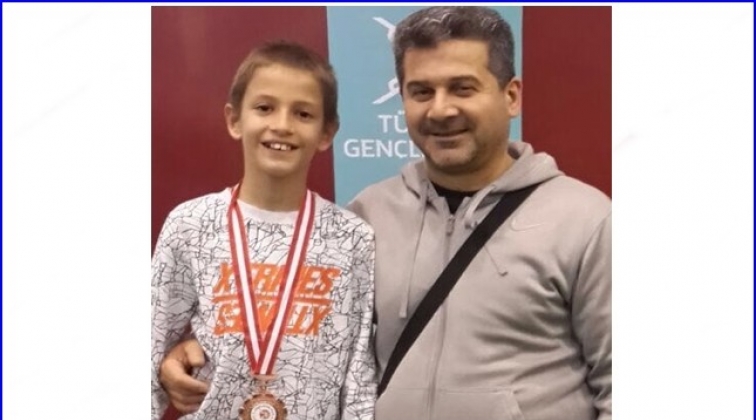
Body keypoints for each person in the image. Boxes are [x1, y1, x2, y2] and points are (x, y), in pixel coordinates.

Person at [159, 6, 611, 420]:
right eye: (421, 91)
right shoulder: (366, 217)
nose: (441, 109)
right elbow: (295, 326)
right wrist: (196, 345)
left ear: (511, 96)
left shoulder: (585, 221)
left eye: (462, 87)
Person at [151, 40, 377, 420]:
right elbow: (149, 347)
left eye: (303, 114)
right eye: (264, 108)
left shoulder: (352, 239)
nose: (282, 125)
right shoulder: (190, 225)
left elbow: (359, 377)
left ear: (326, 133)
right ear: (234, 119)